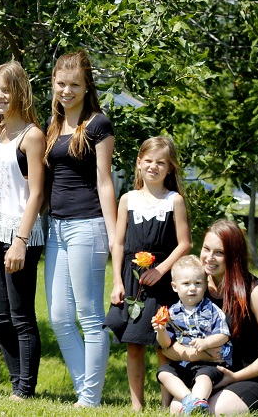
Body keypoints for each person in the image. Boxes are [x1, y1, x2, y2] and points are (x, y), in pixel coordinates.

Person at [42, 50, 116, 407]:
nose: (66, 91)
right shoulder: (53, 125)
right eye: (61, 84)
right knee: (58, 317)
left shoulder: (98, 124)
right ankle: (86, 392)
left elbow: (105, 182)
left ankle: (89, 400)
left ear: (87, 88)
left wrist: (115, 239)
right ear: (53, 84)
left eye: (74, 85)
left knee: (89, 316)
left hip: (88, 226)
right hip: (56, 229)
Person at [0, 61, 45, 400]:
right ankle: (18, 385)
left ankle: (25, 388)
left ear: (20, 92)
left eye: (6, 90)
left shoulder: (32, 136)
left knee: (21, 316)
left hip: (19, 235)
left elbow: (36, 194)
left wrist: (20, 242)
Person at [164, 220, 258, 415]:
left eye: (219, 252)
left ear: (234, 255)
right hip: (211, 374)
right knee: (177, 407)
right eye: (206, 249)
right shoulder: (196, 289)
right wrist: (193, 354)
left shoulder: (255, 292)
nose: (209, 258)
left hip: (256, 377)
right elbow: (167, 347)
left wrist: (235, 377)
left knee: (216, 409)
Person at [103, 136, 191, 409]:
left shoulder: (174, 200)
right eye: (149, 161)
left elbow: (185, 244)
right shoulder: (127, 199)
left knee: (163, 343)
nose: (154, 167)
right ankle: (136, 406)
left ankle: (166, 403)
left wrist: (161, 270)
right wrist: (117, 282)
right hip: (133, 281)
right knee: (134, 344)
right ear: (139, 163)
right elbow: (118, 243)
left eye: (161, 163)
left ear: (170, 168)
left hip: (162, 280)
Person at [152, 255, 232, 414]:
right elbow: (166, 344)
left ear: (205, 285)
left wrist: (207, 342)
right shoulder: (171, 313)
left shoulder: (211, 310)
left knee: (204, 376)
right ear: (175, 287)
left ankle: (199, 400)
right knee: (163, 373)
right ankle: (189, 399)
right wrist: (161, 331)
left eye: (198, 283)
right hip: (183, 365)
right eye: (186, 283)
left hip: (208, 364)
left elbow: (224, 335)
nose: (192, 288)